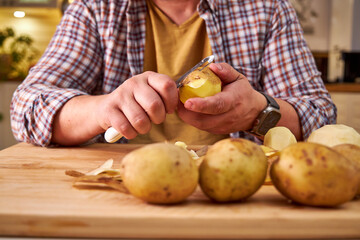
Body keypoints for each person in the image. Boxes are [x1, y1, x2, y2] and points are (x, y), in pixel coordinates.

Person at [10, 0, 336, 147]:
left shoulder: (267, 9)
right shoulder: (95, 8)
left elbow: (321, 116)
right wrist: (103, 109)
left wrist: (257, 113)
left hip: (236, 194)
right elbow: (27, 106)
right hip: (120, 192)